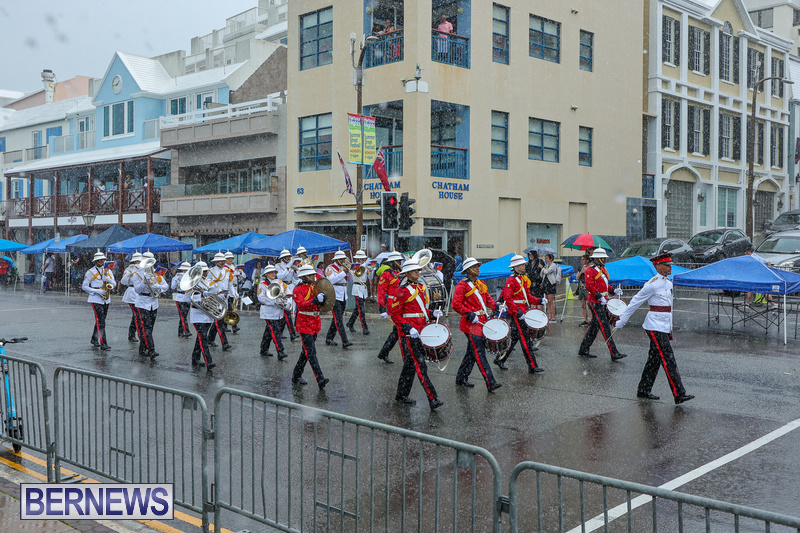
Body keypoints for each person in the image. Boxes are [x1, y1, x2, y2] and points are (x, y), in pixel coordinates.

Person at [615, 253, 694, 404]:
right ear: (658, 266)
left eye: (670, 265)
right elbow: (635, 302)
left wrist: (669, 328)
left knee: (654, 359)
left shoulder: (668, 283)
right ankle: (679, 393)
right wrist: (622, 319)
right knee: (668, 358)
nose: (670, 267)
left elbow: (669, 308)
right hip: (655, 326)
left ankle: (643, 389)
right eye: (667, 265)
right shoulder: (651, 284)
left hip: (663, 326)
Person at [389, 260, 444, 410]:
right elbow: (394, 314)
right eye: (414, 271)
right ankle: (433, 398)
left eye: (418, 270)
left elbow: (421, 310)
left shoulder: (419, 287)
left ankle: (401, 394)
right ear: (407, 273)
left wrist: (432, 313)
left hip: (420, 331)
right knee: (420, 366)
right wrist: (407, 328)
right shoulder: (402, 290)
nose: (418, 273)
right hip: (409, 335)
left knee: (410, 366)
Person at [452, 257, 502, 392]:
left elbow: (487, 299)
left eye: (478, 266)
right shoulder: (462, 285)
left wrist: (496, 305)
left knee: (471, 353)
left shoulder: (480, 283)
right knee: (479, 353)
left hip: (481, 321)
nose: (478, 269)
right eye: (475, 267)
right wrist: (468, 313)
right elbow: (456, 304)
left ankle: (461, 377)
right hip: (471, 323)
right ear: (468, 270)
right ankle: (490, 382)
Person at [494, 254, 546, 373]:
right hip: (517, 313)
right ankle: (532, 366)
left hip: (523, 311)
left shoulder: (522, 279)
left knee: (514, 339)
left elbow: (528, 297)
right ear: (516, 266)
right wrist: (517, 313)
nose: (524, 266)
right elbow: (508, 299)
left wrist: (539, 300)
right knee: (525, 340)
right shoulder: (511, 280)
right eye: (522, 264)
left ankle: (500, 359)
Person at [578, 248, 627, 361]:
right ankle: (613, 352)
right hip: (595, 302)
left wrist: (613, 290)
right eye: (603, 258)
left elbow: (604, 285)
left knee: (594, 328)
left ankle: (583, 349)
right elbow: (589, 286)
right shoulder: (590, 270)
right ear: (597, 259)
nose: (604, 260)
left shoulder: (602, 269)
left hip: (602, 301)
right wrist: (599, 296)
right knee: (605, 327)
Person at [292, 264, 330, 390]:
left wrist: (324, 299)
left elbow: (325, 303)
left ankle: (296, 375)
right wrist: (314, 300)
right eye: (310, 275)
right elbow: (302, 305)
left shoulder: (316, 287)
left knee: (306, 353)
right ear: (303, 277)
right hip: (304, 323)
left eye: (313, 274)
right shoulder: (297, 290)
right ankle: (320, 379)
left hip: (315, 321)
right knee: (311, 353)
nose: (313, 277)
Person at [133, 252, 168, 358]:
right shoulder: (137, 273)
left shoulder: (156, 273)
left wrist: (158, 287)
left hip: (154, 302)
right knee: (146, 327)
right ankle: (151, 349)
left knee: (150, 328)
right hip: (142, 301)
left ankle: (142, 348)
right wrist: (144, 281)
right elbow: (137, 289)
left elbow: (166, 286)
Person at [81, 251, 116, 351]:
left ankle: (94, 338)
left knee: (101, 320)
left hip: (106, 298)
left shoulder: (108, 271)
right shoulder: (90, 272)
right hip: (96, 298)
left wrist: (108, 280)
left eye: (103, 259)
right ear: (96, 261)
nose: (102, 261)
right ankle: (103, 343)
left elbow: (114, 284)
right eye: (100, 260)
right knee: (101, 321)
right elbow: (84, 286)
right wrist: (96, 291)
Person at [376, 251, 405, 364]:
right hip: (392, 303)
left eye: (400, 261)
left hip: (402, 304)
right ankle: (387, 352)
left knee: (398, 330)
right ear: (392, 262)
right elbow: (381, 291)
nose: (399, 263)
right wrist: (381, 308)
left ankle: (384, 352)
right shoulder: (386, 274)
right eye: (398, 261)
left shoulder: (402, 273)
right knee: (400, 328)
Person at [256, 265, 288, 359]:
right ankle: (280, 351)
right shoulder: (262, 284)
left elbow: (287, 292)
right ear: (266, 274)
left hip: (278, 311)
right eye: (271, 272)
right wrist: (274, 301)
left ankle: (264, 348)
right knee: (275, 331)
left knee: (269, 331)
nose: (273, 274)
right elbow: (261, 298)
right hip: (268, 311)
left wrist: (286, 302)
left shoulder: (280, 282)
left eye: (274, 272)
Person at [189, 262, 216, 370]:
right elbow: (188, 298)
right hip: (197, 314)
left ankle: (195, 358)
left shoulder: (210, 282)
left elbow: (215, 293)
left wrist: (221, 294)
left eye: (205, 271)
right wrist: (201, 295)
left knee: (200, 337)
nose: (205, 273)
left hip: (207, 313)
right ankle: (208, 361)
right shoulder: (192, 283)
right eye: (203, 271)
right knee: (203, 337)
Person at [324, 250, 353, 348]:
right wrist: (343, 272)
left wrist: (350, 272)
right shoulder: (330, 268)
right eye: (340, 259)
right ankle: (345, 340)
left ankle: (329, 338)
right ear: (336, 259)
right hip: (334, 295)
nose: (343, 260)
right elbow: (331, 280)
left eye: (343, 258)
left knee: (336, 319)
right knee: (339, 319)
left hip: (343, 294)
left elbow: (351, 280)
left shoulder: (344, 268)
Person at [206, 252, 232, 350]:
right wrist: (217, 291)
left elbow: (229, 284)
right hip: (215, 298)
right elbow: (208, 285)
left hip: (225, 298)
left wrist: (232, 294)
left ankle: (210, 339)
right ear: (215, 262)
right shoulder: (210, 271)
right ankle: (225, 343)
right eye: (220, 261)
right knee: (218, 321)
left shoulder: (227, 271)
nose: (222, 262)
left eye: (223, 261)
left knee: (218, 321)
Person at [275, 248, 299, 341]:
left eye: (289, 256)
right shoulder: (278, 266)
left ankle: (280, 332)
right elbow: (280, 276)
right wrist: (288, 268)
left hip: (290, 286)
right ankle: (292, 333)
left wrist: (296, 270)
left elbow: (295, 277)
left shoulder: (290, 266)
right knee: (287, 311)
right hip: (282, 287)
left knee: (286, 311)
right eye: (286, 257)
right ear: (282, 258)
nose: (288, 258)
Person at [347, 250, 371, 335]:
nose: (363, 259)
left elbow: (369, 277)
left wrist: (370, 270)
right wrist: (365, 265)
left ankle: (350, 323)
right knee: (361, 309)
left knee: (358, 309)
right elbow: (358, 274)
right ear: (358, 258)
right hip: (357, 288)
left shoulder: (364, 265)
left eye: (364, 258)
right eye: (362, 258)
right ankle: (365, 327)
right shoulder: (354, 266)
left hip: (363, 287)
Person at [121, 252, 143, 341]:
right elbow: (123, 282)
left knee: (137, 315)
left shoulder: (143, 269)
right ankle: (136, 334)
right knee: (137, 314)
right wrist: (129, 273)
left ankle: (132, 334)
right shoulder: (129, 269)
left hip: (140, 293)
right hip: (132, 292)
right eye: (138, 261)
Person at [171, 262, 192, 338]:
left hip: (188, 297)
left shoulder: (191, 277)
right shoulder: (177, 276)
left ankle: (180, 331)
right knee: (183, 316)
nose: (185, 271)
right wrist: (176, 280)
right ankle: (186, 331)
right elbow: (172, 287)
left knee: (184, 316)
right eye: (185, 270)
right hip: (180, 297)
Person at [223, 251, 240, 334]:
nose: (230, 259)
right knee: (229, 309)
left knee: (233, 309)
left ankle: (227, 325)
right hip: (228, 290)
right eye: (228, 258)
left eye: (231, 258)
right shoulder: (225, 267)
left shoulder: (233, 266)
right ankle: (233, 326)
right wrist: (234, 274)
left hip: (235, 288)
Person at [541, 254, 559, 321]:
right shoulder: (547, 266)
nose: (545, 260)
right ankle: (549, 315)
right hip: (546, 284)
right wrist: (544, 269)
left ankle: (553, 316)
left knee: (551, 301)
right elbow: (542, 274)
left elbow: (547, 272)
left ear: (550, 259)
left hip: (550, 284)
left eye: (547, 258)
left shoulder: (553, 265)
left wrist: (543, 268)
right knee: (547, 301)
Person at [576, 254, 591, 326]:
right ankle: (585, 320)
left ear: (587, 260)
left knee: (589, 304)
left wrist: (586, 272)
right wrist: (582, 271)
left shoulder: (590, 268)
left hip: (587, 288)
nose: (582, 261)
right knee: (583, 305)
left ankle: (591, 320)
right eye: (581, 259)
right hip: (581, 287)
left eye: (583, 259)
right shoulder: (580, 268)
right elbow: (577, 277)